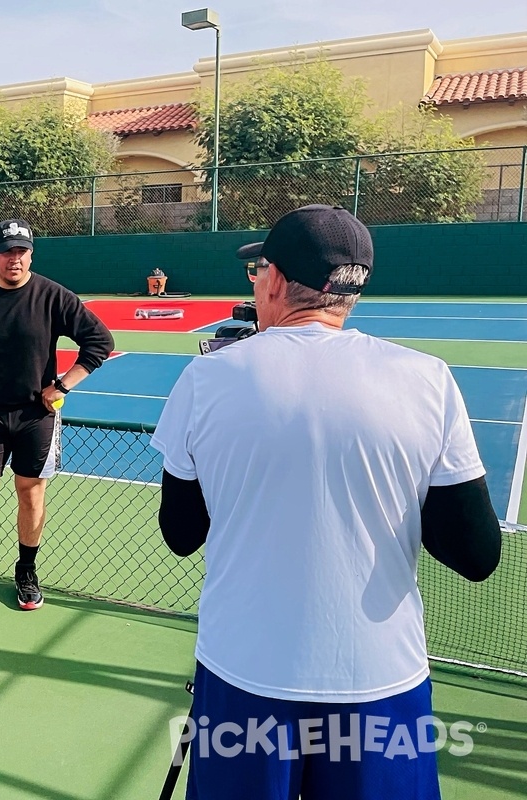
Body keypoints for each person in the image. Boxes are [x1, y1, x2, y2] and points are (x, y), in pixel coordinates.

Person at [150, 205, 502, 800]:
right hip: (381, 680)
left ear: (280, 281)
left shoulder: (206, 379)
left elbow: (181, 533)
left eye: (258, 271)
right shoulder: (428, 378)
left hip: (243, 673)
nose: (255, 283)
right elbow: (475, 553)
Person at [0, 219, 114, 622]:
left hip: (37, 418)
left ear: (31, 253)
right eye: (6, 251)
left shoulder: (54, 297)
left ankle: (26, 571)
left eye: (21, 251)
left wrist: (64, 385)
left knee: (30, 494)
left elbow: (99, 342)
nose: (14, 258)